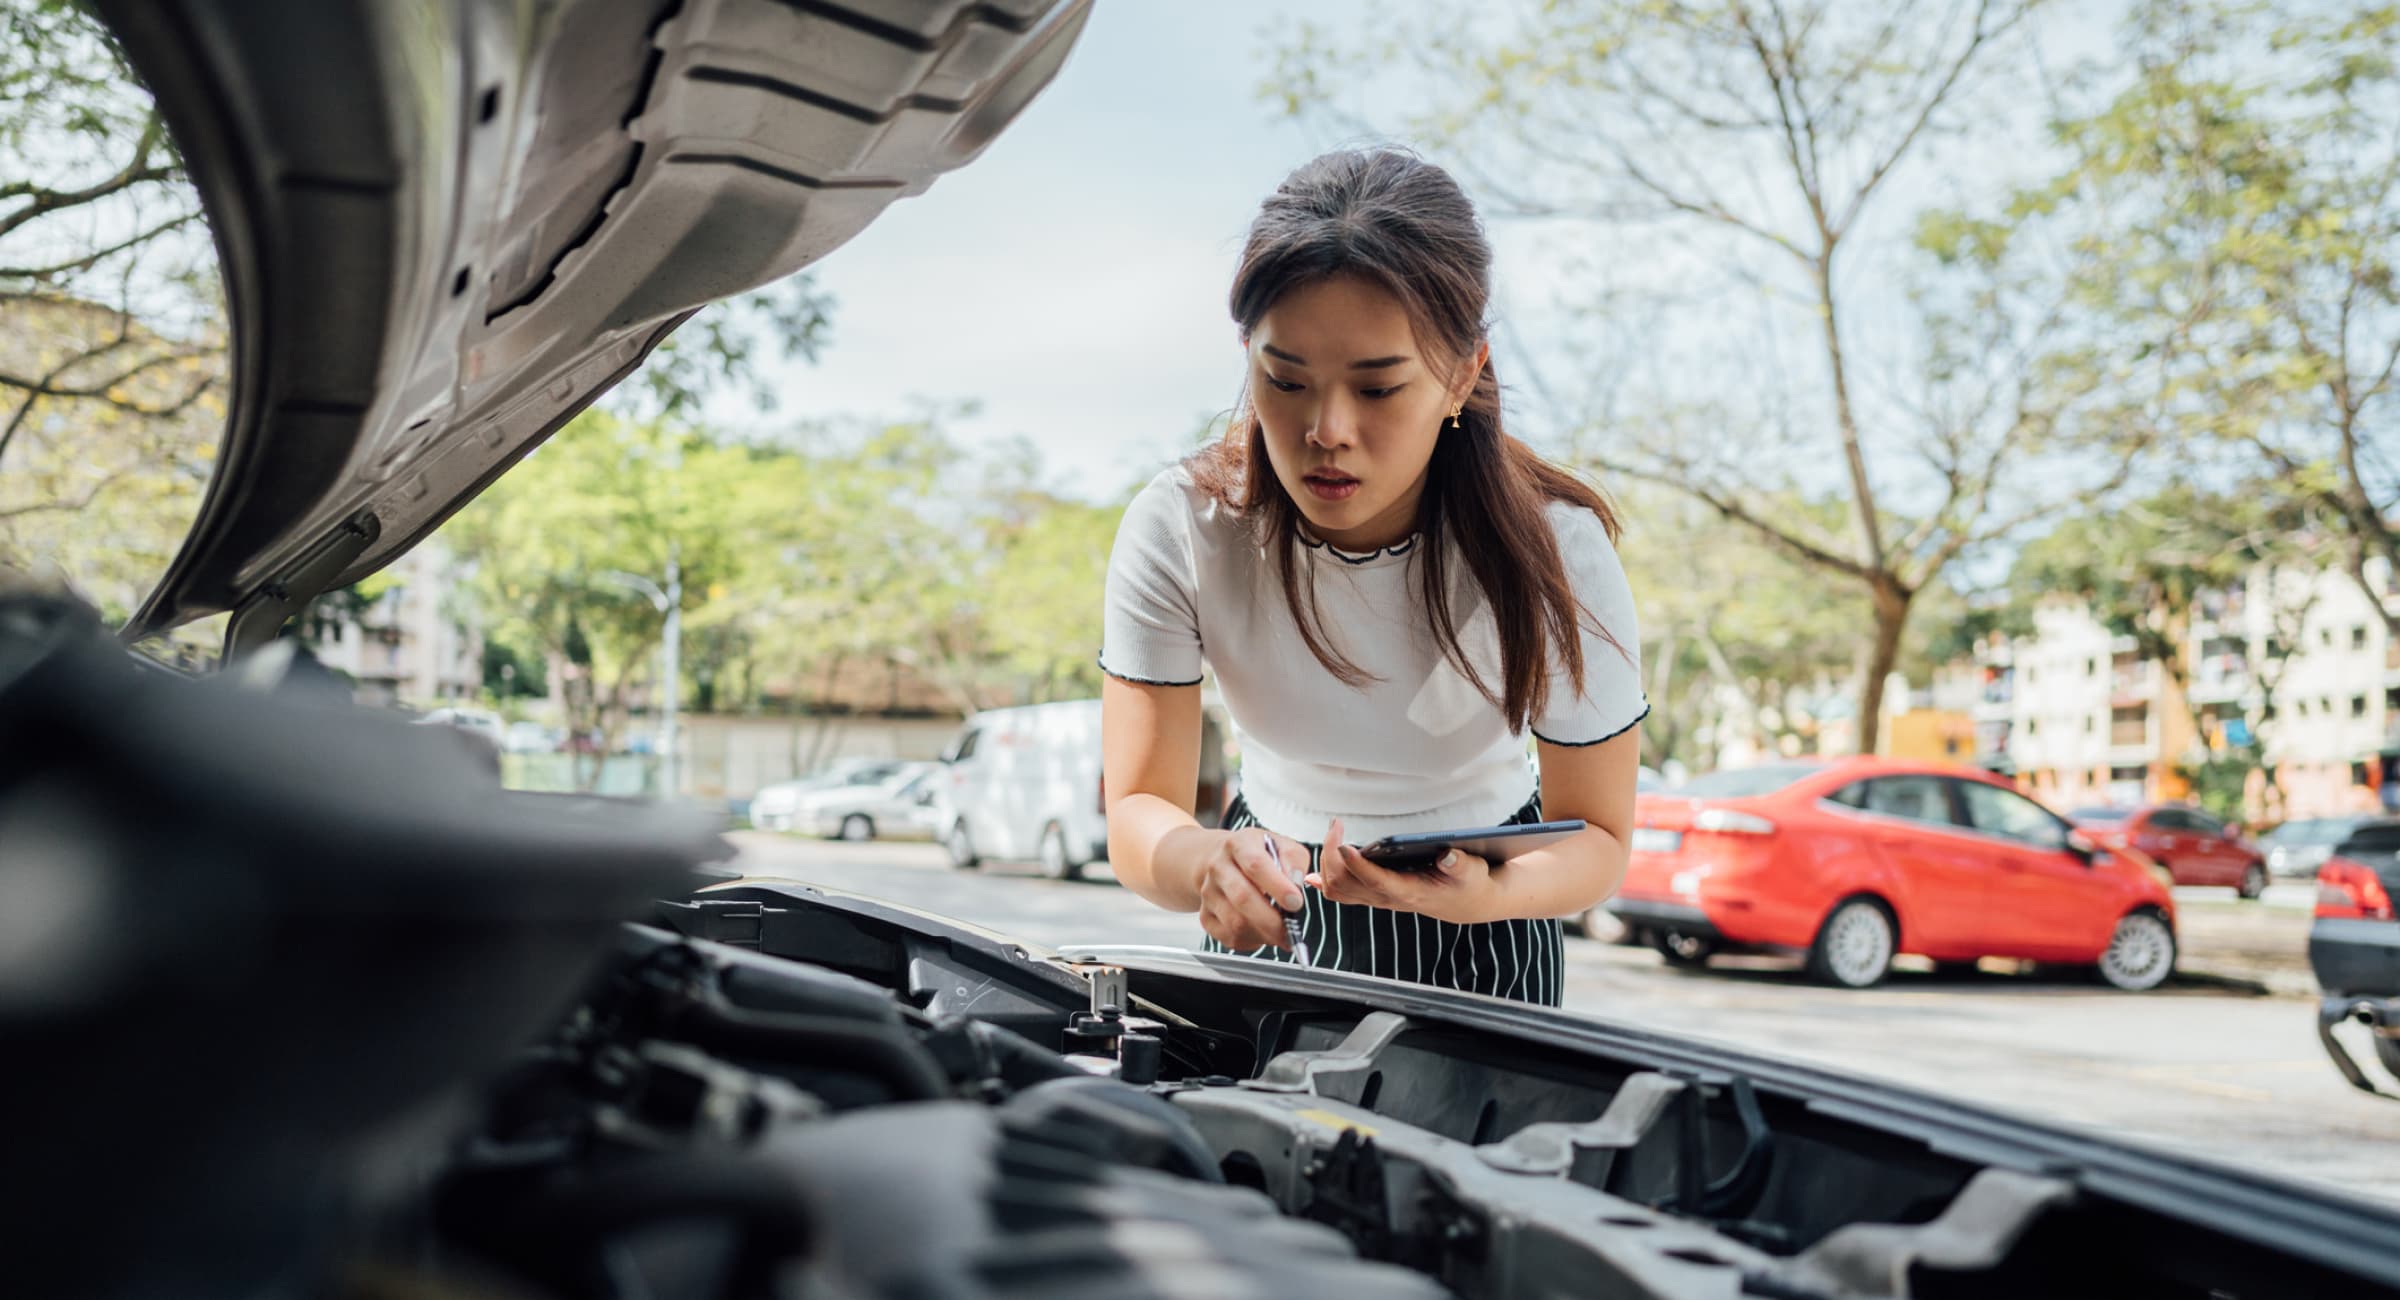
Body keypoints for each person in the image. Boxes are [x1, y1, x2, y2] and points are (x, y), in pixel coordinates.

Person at [1098, 148, 1645, 1007]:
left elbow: (1603, 839)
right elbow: (1136, 810)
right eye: (1285, 380)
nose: (1327, 430)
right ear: (1247, 354)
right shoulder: (1181, 528)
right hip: (1270, 895)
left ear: (1464, 373)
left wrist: (1493, 895)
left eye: (1379, 388)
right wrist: (1208, 864)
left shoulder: (1556, 554)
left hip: (1485, 926)